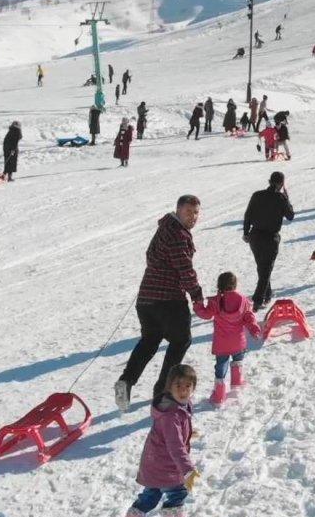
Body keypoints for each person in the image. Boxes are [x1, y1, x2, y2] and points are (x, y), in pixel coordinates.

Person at [116, 195, 204, 411]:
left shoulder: (164, 228)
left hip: (146, 299)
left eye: (196, 213)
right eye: (188, 212)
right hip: (168, 299)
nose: (193, 217)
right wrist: (197, 295)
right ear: (178, 210)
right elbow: (184, 268)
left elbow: (151, 255)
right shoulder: (177, 234)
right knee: (181, 340)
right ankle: (164, 391)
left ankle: (126, 381)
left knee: (150, 340)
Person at [117, 363, 199, 517]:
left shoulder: (178, 405)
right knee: (178, 494)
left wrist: (188, 432)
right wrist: (188, 469)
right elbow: (175, 446)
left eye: (188, 386)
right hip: (166, 465)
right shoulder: (171, 414)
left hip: (154, 463)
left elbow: (173, 433)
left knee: (150, 497)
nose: (183, 390)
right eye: (178, 385)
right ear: (169, 387)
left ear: (193, 388)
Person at [192, 272, 263, 407]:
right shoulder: (244, 301)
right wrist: (254, 329)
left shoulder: (216, 302)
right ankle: (236, 382)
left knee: (221, 366)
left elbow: (206, 315)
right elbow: (249, 317)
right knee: (237, 360)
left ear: (219, 285)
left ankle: (219, 396)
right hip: (238, 341)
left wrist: (198, 305)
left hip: (222, 343)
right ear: (235, 285)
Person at [242, 172, 294, 309]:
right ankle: (258, 301)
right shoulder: (281, 198)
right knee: (266, 270)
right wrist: (287, 200)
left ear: (269, 180)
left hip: (255, 236)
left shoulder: (257, 195)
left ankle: (267, 294)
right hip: (271, 237)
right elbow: (290, 216)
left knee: (262, 267)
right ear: (282, 184)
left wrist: (246, 232)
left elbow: (248, 215)